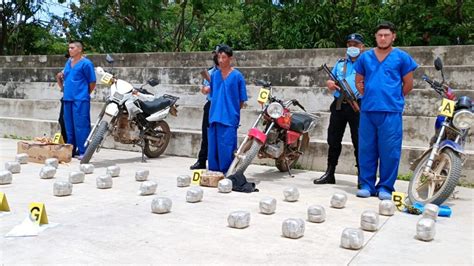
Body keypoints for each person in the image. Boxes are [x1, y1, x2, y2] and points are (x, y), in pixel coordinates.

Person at [354, 22, 418, 200]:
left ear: (393, 36)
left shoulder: (402, 57)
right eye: (379, 35)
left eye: (386, 35)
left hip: (391, 111)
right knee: (366, 149)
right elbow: (359, 81)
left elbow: (409, 84)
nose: (383, 38)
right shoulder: (365, 57)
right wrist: (368, 94)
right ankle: (366, 185)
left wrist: (393, 97)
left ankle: (385, 187)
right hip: (368, 110)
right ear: (375, 37)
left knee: (390, 151)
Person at [314, 33, 364, 185]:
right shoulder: (341, 63)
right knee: (333, 139)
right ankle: (330, 173)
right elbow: (332, 79)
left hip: (357, 105)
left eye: (355, 44)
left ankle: (362, 177)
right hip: (338, 105)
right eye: (350, 44)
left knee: (359, 141)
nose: (352, 47)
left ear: (362, 47)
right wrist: (329, 83)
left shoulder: (366, 64)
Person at [207, 45, 248, 173]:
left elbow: (241, 100)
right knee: (213, 148)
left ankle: (227, 173)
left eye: (223, 57)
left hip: (229, 117)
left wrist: (233, 112)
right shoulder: (214, 75)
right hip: (214, 115)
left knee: (227, 147)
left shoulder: (237, 76)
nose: (220, 60)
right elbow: (212, 94)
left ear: (230, 58)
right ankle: (214, 173)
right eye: (219, 57)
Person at [56, 40, 96, 159]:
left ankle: (84, 151)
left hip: (80, 99)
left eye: (72, 48)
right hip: (67, 98)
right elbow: (65, 76)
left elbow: (92, 82)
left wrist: (84, 93)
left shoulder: (86, 63)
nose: (69, 50)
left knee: (81, 125)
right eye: (69, 48)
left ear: (79, 49)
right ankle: (71, 149)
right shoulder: (69, 62)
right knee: (69, 125)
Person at [190, 45, 221, 170]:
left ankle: (220, 162)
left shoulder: (228, 73)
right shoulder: (210, 72)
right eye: (215, 54)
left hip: (222, 106)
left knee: (221, 135)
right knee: (206, 134)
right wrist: (206, 89)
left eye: (218, 54)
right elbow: (204, 89)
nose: (216, 56)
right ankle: (202, 160)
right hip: (211, 105)